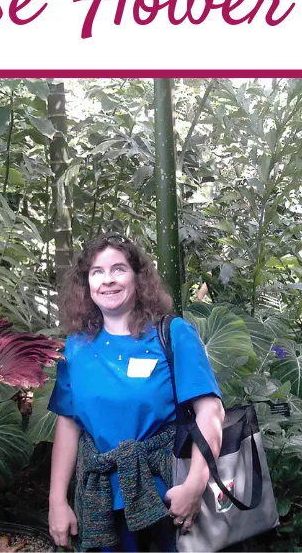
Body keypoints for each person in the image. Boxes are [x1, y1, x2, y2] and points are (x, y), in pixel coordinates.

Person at [48, 235, 225, 552]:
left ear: (138, 277)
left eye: (119, 269)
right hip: (99, 501)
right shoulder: (76, 347)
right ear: (87, 283)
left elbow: (211, 412)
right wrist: (56, 500)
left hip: (166, 498)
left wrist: (195, 486)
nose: (108, 280)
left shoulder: (172, 333)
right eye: (97, 272)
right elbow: (68, 424)